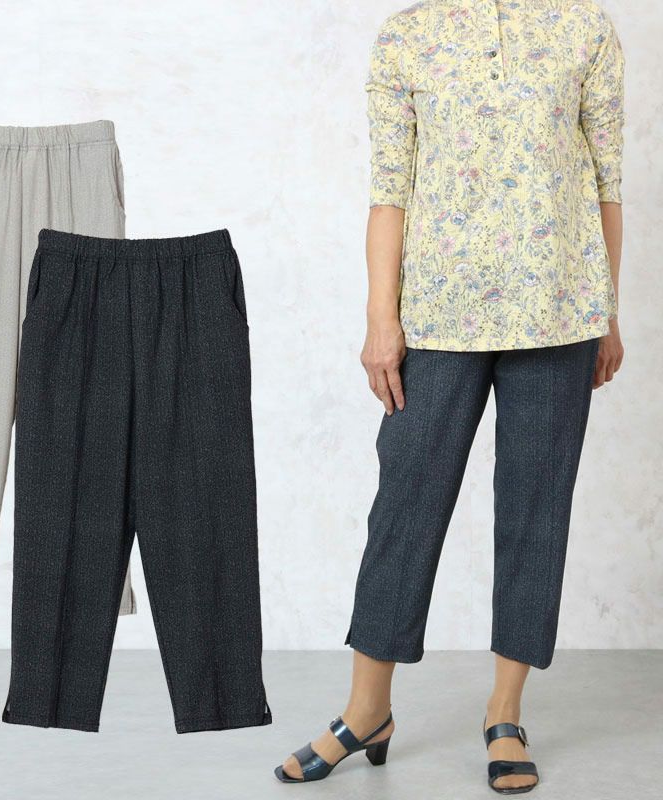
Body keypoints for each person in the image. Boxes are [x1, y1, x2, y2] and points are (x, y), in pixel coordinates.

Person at [275, 0, 625, 793]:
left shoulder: (585, 30)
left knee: (535, 511)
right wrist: (381, 318)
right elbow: (389, 188)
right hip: (436, 314)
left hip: (559, 312)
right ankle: (367, 710)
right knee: (405, 502)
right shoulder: (409, 35)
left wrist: (608, 312)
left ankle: (505, 713)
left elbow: (608, 182)